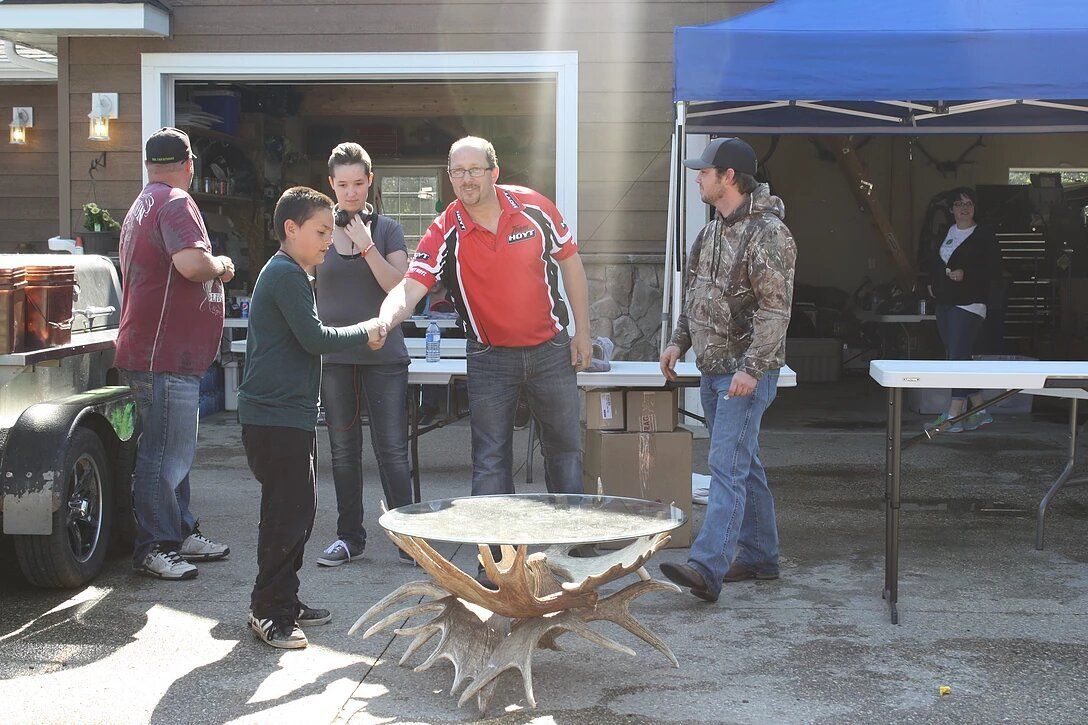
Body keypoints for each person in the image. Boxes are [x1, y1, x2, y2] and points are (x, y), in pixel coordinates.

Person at [372, 136, 591, 563]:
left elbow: (571, 263)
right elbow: (412, 286)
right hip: (490, 356)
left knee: (564, 450)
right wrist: (384, 320)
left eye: (475, 170)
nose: (467, 179)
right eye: (458, 172)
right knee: (491, 460)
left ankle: (577, 547)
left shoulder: (536, 208)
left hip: (551, 349)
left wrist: (584, 331)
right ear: (450, 177)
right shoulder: (444, 228)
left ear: (494, 171)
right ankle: (495, 558)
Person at [238, 186, 384, 649]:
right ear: (291, 229)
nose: (328, 241)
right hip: (274, 418)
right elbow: (315, 338)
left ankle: (284, 597)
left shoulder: (294, 273)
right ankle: (269, 611)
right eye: (321, 232)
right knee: (288, 514)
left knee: (297, 512)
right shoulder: (284, 274)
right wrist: (367, 330)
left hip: (290, 416)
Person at [658, 137, 796, 604]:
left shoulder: (769, 234)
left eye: (705, 171)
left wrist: (754, 370)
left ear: (729, 177)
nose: (698, 177)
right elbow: (696, 292)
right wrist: (679, 341)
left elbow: (776, 310)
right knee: (743, 462)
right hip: (715, 369)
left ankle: (706, 567)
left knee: (724, 466)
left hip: (744, 373)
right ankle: (761, 557)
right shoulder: (711, 232)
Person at [116, 127, 233, 581]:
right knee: (163, 455)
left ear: (149, 165)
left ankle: (180, 530)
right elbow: (190, 264)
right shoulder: (176, 201)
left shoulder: (142, 203)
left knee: (172, 453)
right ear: (189, 164)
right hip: (163, 355)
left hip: (155, 351)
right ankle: (155, 546)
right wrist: (221, 266)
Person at [313, 143, 414, 567]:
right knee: (341, 450)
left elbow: (401, 287)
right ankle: (349, 537)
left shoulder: (388, 228)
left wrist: (367, 245)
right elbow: (302, 283)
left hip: (384, 356)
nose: (350, 192)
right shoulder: (318, 229)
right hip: (336, 356)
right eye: (342, 184)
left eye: (358, 183)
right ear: (331, 185)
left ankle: (410, 537)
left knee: (391, 449)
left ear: (369, 181)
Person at [927, 187, 1002, 432]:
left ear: (975, 208)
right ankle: (979, 410)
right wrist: (931, 284)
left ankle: (953, 416)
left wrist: (967, 274)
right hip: (945, 302)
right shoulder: (946, 233)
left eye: (969, 203)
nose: (964, 207)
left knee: (957, 358)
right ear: (951, 209)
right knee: (957, 356)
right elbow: (935, 262)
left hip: (970, 303)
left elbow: (993, 269)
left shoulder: (984, 235)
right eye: (959, 204)